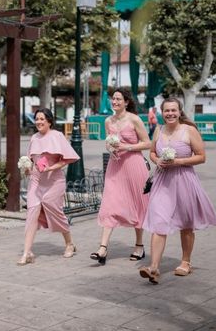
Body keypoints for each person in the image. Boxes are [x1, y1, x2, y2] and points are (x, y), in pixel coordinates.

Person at [139, 97, 216, 284]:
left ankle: (186, 261)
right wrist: (157, 160)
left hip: (184, 180)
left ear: (179, 111)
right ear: (162, 112)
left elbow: (201, 157)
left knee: (186, 223)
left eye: (173, 110)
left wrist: (178, 162)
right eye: (167, 111)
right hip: (162, 181)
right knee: (158, 220)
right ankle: (154, 268)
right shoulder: (159, 130)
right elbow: (152, 152)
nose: (170, 114)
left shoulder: (189, 130)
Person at [91, 88, 151, 265]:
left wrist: (127, 147)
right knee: (109, 204)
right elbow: (110, 143)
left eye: (118, 99)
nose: (115, 102)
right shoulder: (108, 121)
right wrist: (111, 149)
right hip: (115, 166)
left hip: (134, 165)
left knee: (137, 204)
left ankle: (139, 246)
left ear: (126, 102)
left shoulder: (134, 119)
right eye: (113, 99)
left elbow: (148, 143)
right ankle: (102, 248)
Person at [18, 108, 79, 265]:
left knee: (56, 212)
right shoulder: (33, 138)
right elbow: (31, 161)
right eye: (37, 119)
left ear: (49, 121)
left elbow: (67, 159)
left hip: (54, 181)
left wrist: (51, 168)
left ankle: (69, 244)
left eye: (42, 119)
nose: (38, 121)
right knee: (31, 214)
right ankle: (27, 253)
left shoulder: (57, 136)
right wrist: (26, 169)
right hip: (36, 181)